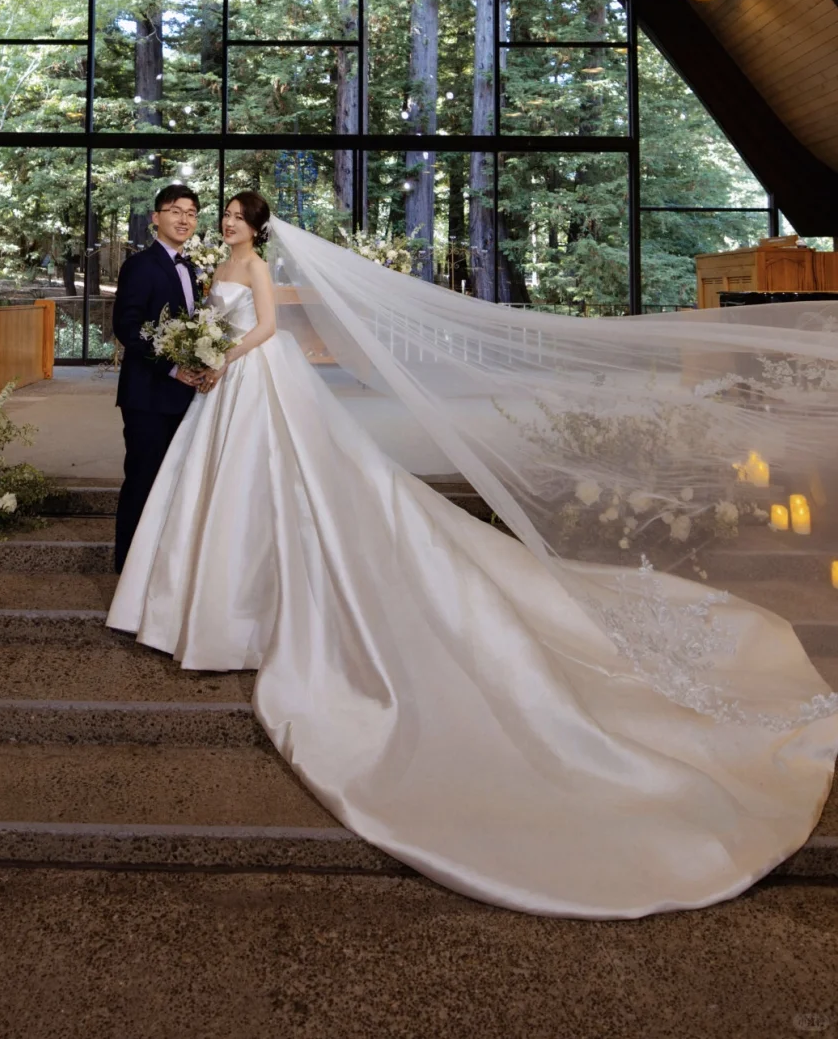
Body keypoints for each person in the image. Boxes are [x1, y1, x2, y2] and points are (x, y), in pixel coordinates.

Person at [108, 191, 838, 919]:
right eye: (221, 213)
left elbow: (267, 327)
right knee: (218, 483)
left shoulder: (257, 264)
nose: (225, 220)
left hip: (251, 380)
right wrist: (202, 354)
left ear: (255, 225)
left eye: (234, 213)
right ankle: (205, 592)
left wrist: (223, 354)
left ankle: (240, 599)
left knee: (284, 480)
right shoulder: (211, 267)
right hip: (221, 389)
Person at [111, 184, 208, 573]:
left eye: (191, 213)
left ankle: (159, 564)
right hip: (147, 396)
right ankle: (128, 569)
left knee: (171, 481)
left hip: (183, 395)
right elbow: (127, 327)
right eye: (175, 211)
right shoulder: (140, 265)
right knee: (142, 479)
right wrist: (171, 367)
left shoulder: (191, 267)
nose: (184, 219)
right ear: (156, 218)